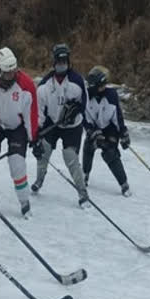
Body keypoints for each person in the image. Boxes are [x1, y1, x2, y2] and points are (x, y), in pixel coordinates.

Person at [0, 47, 39, 218]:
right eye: (7, 73)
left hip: (17, 128)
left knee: (17, 164)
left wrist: (34, 138)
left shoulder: (26, 85)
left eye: (13, 71)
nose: (11, 75)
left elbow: (31, 114)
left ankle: (25, 203)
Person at [31, 43, 91, 208]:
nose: (62, 63)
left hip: (72, 126)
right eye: (59, 60)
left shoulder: (78, 82)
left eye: (65, 60)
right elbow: (39, 114)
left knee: (70, 157)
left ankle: (82, 192)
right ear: (54, 61)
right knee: (44, 151)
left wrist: (75, 111)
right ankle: (39, 181)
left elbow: (84, 104)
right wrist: (36, 136)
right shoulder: (44, 86)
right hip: (52, 123)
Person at [83, 65, 132, 196]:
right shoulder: (85, 97)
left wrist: (123, 133)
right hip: (94, 128)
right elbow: (85, 119)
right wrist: (92, 131)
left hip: (110, 129)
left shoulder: (111, 95)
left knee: (110, 152)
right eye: (102, 85)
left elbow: (118, 116)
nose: (104, 87)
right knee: (89, 145)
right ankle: (85, 174)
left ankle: (124, 183)